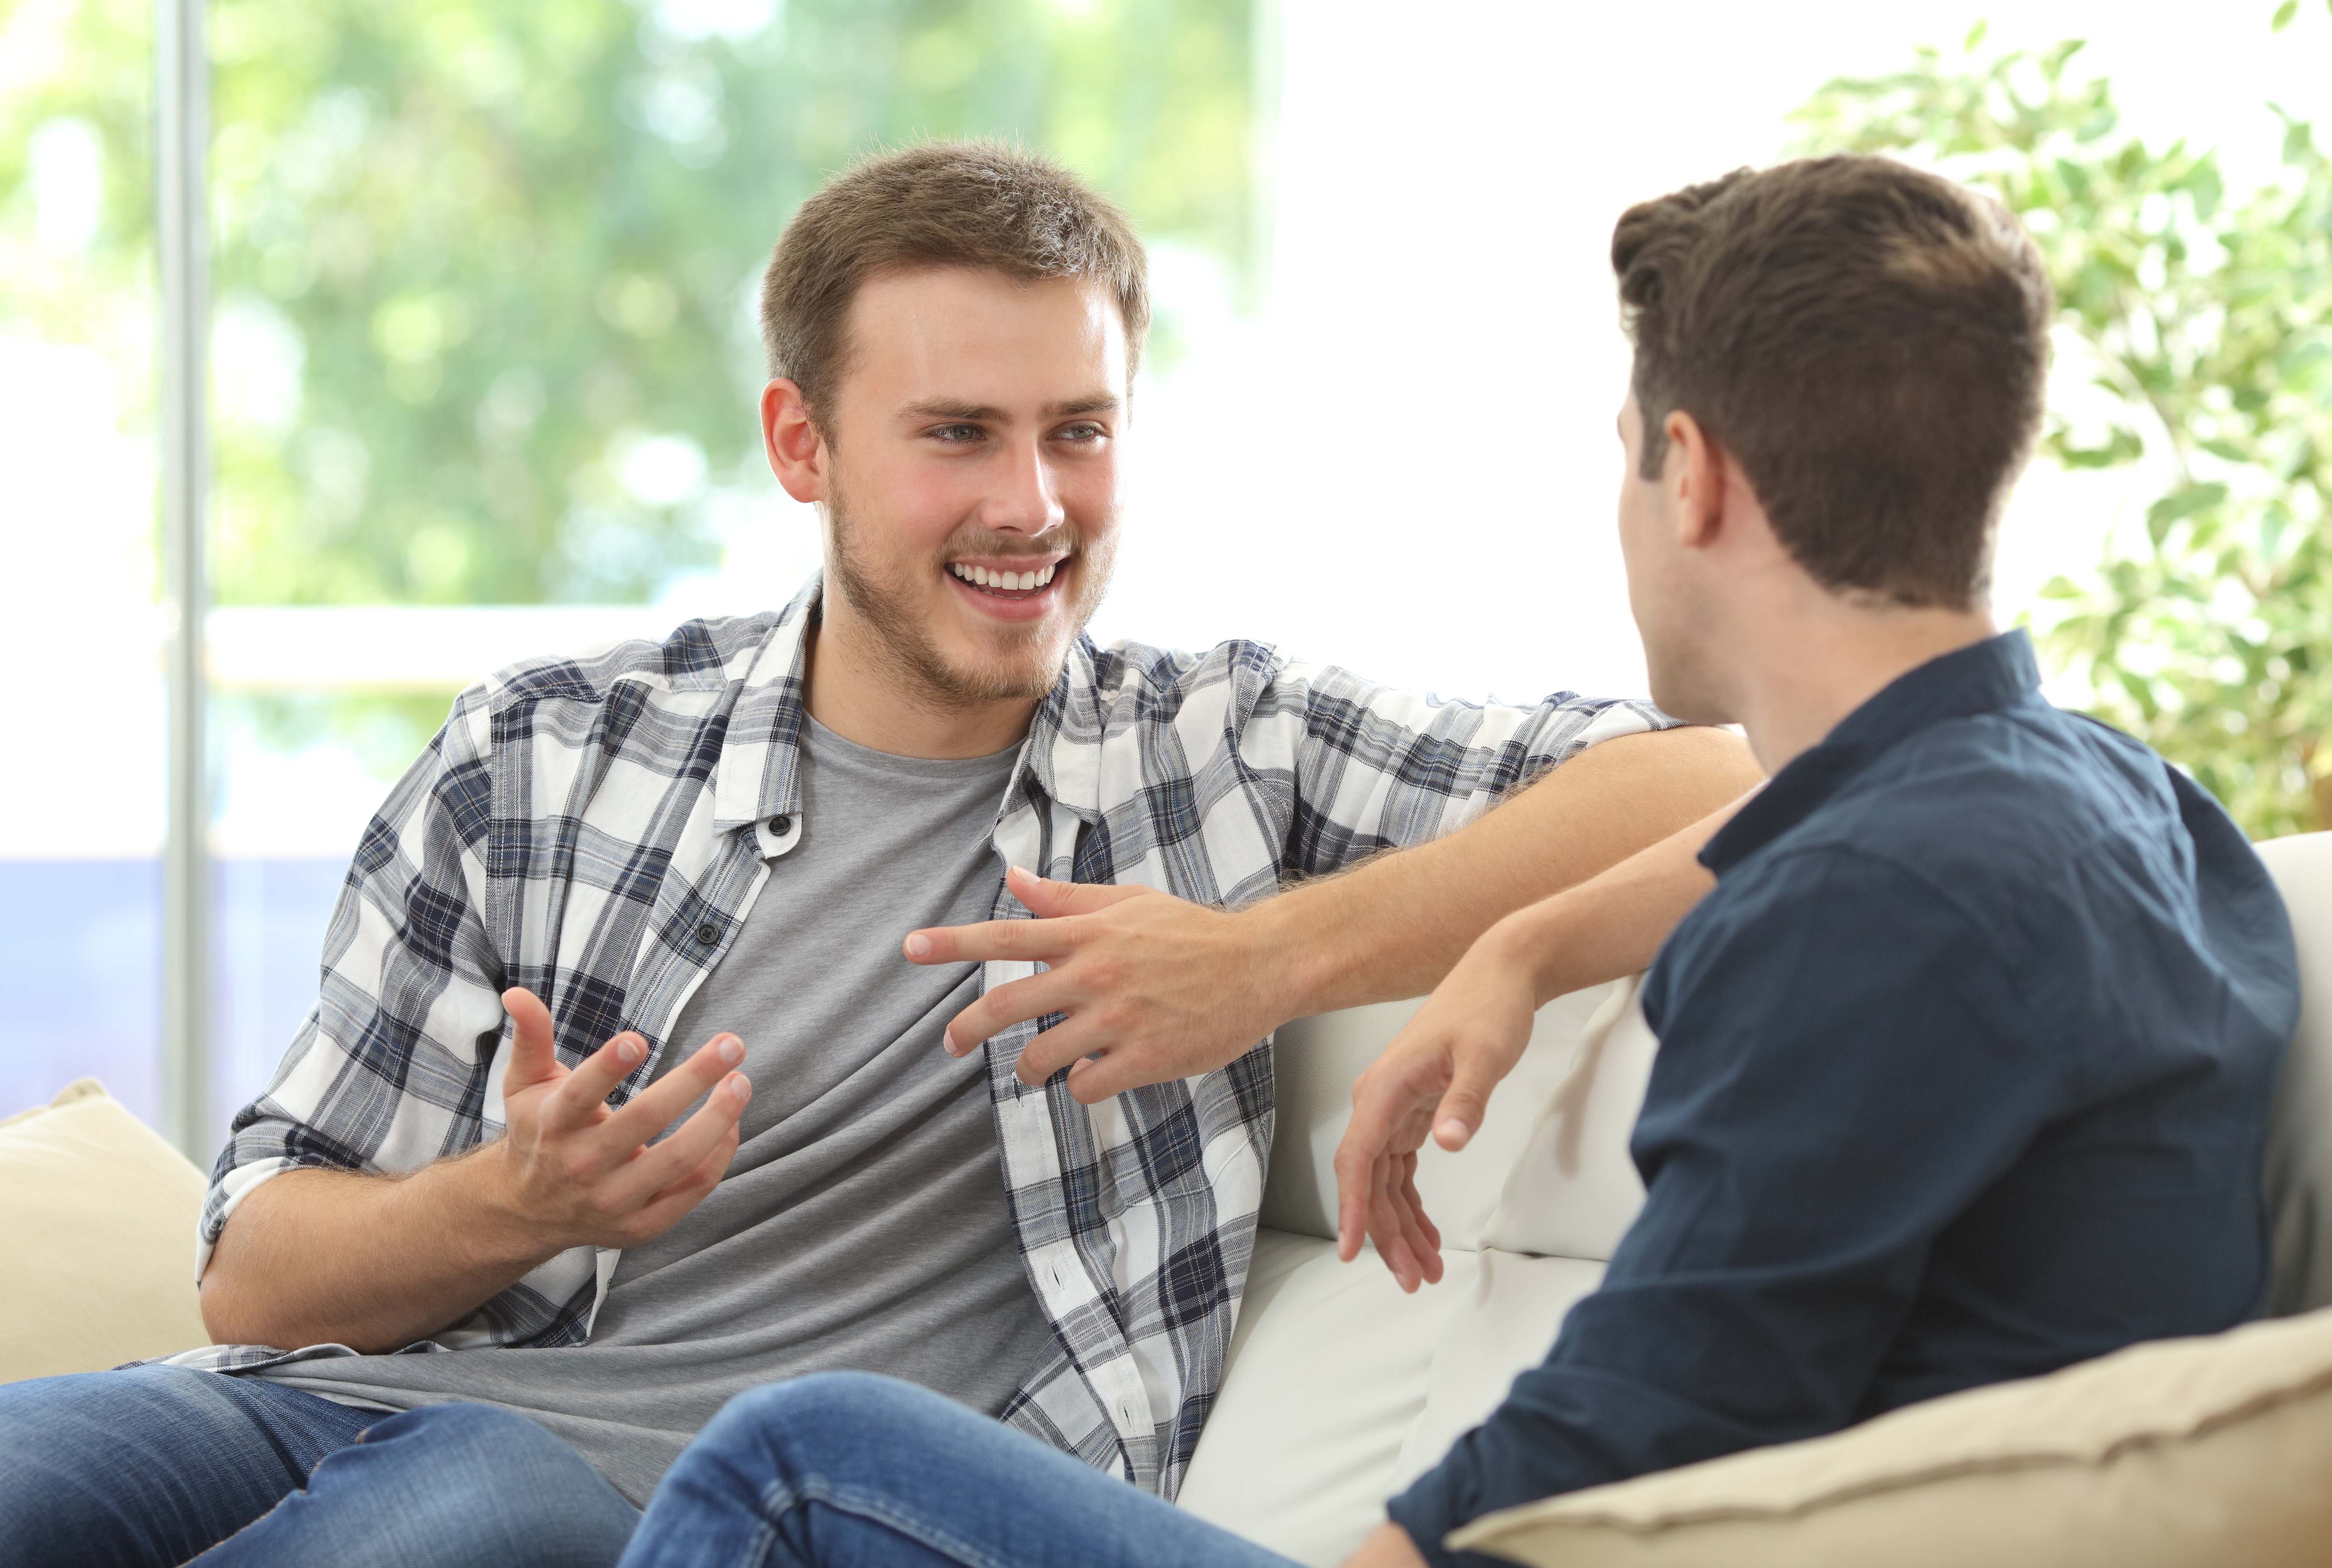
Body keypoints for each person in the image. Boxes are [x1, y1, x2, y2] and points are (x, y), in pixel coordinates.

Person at [0, 143, 1756, 1568]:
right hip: (320, 1400)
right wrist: (513, 1205)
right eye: (957, 436)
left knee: (473, 1506)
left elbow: (1715, 770)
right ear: (799, 446)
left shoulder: (1221, 751)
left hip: (666, 1518)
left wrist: (1269, 962)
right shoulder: (541, 756)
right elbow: (253, 1274)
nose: (1033, 506)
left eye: (1078, 430)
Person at [601, 154, 2299, 1568]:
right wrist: (1524, 943)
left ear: (1689, 479)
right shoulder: (2112, 799)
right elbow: (1831, 812)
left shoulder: (1881, 911)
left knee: (803, 1459)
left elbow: (1648, 1407)